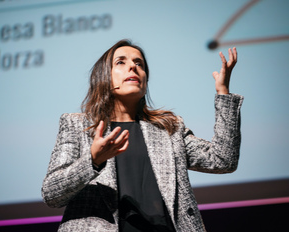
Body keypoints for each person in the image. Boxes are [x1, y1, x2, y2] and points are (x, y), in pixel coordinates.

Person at [41, 39, 243, 232]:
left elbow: (222, 159)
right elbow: (52, 194)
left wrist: (223, 93)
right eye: (121, 62)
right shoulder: (77, 125)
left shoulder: (168, 128)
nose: (133, 67)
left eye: (139, 63)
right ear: (103, 76)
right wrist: (93, 160)